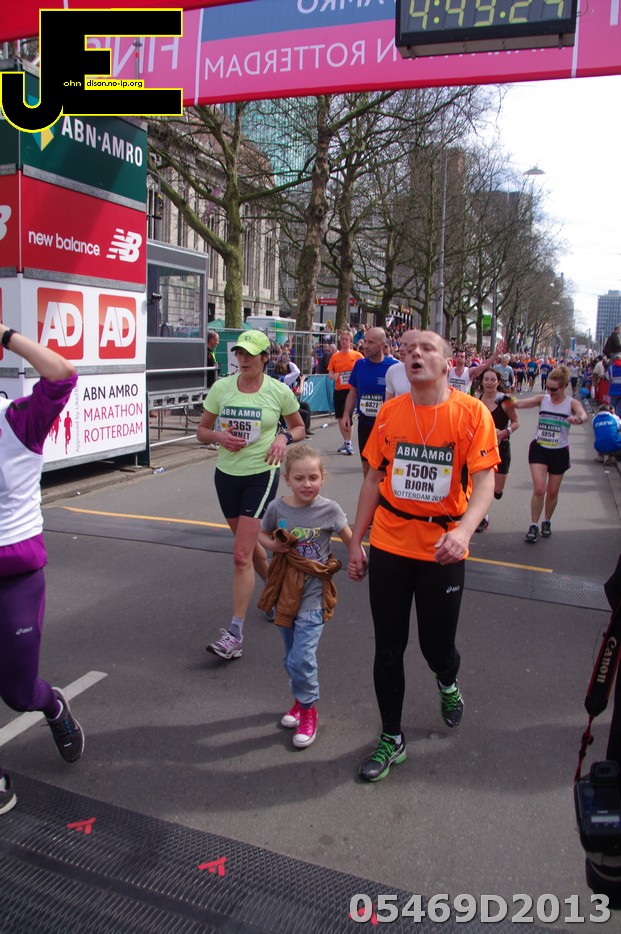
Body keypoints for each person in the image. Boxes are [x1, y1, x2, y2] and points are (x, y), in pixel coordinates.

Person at [347, 330, 499, 783]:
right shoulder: (390, 413)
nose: (415, 353)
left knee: (436, 648)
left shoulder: (471, 413)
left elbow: (485, 484)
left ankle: (447, 681)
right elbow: (373, 479)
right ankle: (391, 738)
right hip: (390, 543)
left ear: (447, 364)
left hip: (442, 549)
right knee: (388, 648)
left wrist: (463, 531)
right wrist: (356, 541)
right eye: (408, 349)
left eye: (427, 348)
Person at [0, 324, 84, 815]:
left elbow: (62, 375)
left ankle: (53, 706)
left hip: (16, 575)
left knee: (18, 692)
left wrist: (6, 335)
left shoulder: (17, 421)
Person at [197, 330, 306, 660]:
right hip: (226, 476)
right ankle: (276, 593)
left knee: (241, 554)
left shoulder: (278, 391)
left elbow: (299, 426)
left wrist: (283, 438)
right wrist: (218, 437)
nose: (243, 360)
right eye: (239, 354)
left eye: (250, 354)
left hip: (261, 474)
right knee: (250, 545)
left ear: (265, 358)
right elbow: (202, 431)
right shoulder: (222, 388)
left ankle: (234, 635)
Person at [257, 445, 352, 749]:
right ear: (287, 479)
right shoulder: (277, 508)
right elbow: (262, 533)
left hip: (314, 594)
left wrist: (359, 558)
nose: (307, 484)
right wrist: (272, 546)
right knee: (291, 657)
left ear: (322, 478)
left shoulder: (330, 510)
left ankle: (309, 710)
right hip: (285, 593)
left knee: (301, 657)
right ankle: (299, 701)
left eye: (313, 477)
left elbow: (351, 539)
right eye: (299, 478)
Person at [513, 365, 588, 543]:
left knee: (553, 492)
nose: (550, 392)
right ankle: (533, 525)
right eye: (547, 388)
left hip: (559, 451)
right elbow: (519, 404)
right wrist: (502, 397)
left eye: (553, 389)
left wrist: (578, 419)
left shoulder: (571, 403)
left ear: (564, 387)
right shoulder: (543, 399)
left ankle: (546, 521)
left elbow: (583, 415)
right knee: (540, 488)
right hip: (540, 448)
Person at [342, 327, 398, 476]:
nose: (366, 346)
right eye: (365, 341)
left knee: (386, 471)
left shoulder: (393, 367)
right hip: (365, 424)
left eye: (371, 342)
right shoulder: (360, 365)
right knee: (367, 469)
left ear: (382, 345)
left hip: (386, 427)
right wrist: (346, 414)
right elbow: (353, 392)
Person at [475, 369, 520, 532]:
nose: (489, 383)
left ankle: (494, 494)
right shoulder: (477, 398)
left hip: (501, 447)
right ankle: (482, 516)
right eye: (486, 379)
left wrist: (503, 432)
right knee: (481, 485)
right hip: (481, 448)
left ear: (498, 382)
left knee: (497, 490)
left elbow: (516, 422)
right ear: (482, 381)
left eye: (493, 380)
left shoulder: (506, 400)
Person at [327, 330, 363, 455]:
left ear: (351, 342)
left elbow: (364, 368)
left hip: (351, 391)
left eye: (346, 340)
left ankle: (348, 443)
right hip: (339, 390)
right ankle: (346, 441)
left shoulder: (357, 355)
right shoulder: (335, 356)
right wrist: (333, 376)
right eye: (342, 339)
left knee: (347, 417)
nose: (344, 342)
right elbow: (330, 373)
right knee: (340, 418)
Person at [606, 354, 621, 418]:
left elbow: (607, 377)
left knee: (612, 406)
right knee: (619, 408)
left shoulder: (610, 368)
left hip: (613, 391)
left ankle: (611, 419)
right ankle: (618, 420)